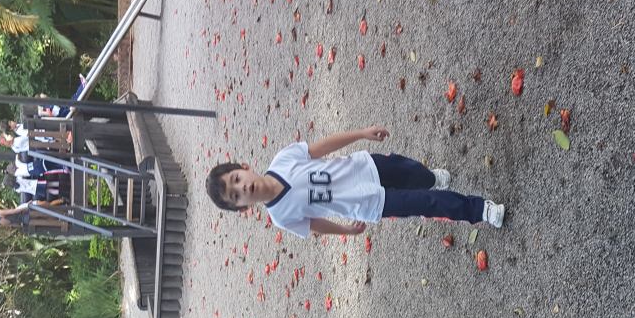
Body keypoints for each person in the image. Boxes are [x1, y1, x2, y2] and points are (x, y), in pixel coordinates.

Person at [205, 125, 506, 238]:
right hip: (368, 204)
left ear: (244, 168)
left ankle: (431, 179)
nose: (242, 188)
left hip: (367, 167)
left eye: (236, 179)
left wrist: (361, 133)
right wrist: (346, 231)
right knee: (426, 204)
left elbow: (323, 146)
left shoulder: (283, 159)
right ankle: (479, 210)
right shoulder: (281, 217)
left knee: (417, 175)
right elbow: (314, 224)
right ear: (243, 208)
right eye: (236, 195)